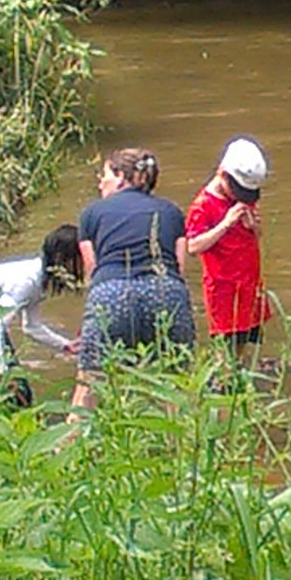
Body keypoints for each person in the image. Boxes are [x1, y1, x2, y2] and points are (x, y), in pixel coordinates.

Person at [71, 148, 194, 411]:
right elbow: (180, 268)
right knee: (175, 385)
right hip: (166, 292)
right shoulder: (171, 212)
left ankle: (72, 443)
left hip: (111, 293)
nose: (99, 181)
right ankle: (180, 447)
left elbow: (93, 271)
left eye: (103, 174)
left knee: (88, 386)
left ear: (120, 176)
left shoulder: (91, 213)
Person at [0, 225, 83, 408]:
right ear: (64, 259)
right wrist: (1, 373)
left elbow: (31, 327)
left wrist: (65, 345)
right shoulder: (27, 282)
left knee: (19, 394)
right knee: (4, 395)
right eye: (80, 258)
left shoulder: (39, 278)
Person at [184, 136, 270, 363]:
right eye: (238, 192)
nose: (241, 198)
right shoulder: (203, 205)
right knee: (225, 342)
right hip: (223, 288)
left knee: (244, 339)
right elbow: (192, 246)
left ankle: (238, 375)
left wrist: (254, 227)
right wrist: (225, 224)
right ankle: (224, 383)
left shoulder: (243, 198)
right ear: (223, 174)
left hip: (249, 282)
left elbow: (258, 236)